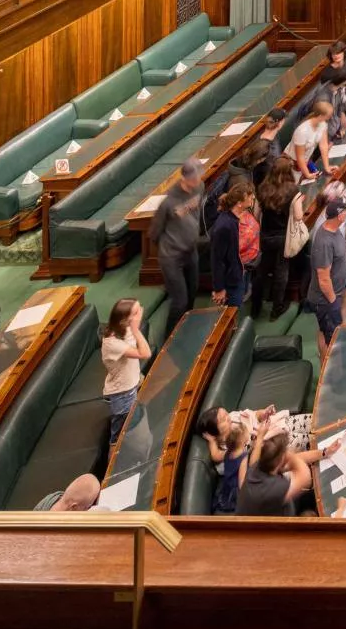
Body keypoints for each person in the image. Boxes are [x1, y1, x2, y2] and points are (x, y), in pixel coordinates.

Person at [150, 159, 206, 330]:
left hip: (191, 251)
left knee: (192, 292)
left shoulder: (200, 187)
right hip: (171, 257)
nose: (198, 181)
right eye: (194, 178)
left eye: (199, 177)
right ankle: (169, 338)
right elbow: (154, 232)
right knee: (179, 301)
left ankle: (184, 328)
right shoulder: (168, 202)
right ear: (184, 178)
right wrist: (170, 246)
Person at [253, 163, 307, 321]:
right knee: (281, 272)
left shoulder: (262, 188)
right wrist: (300, 202)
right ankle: (277, 309)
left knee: (261, 272)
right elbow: (298, 216)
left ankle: (255, 308)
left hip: (265, 236)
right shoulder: (292, 190)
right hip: (283, 237)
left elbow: (256, 214)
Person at [306, 193, 346, 363]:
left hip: (334, 294)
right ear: (341, 215)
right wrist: (333, 302)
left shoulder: (334, 229)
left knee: (325, 332)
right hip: (325, 299)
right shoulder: (324, 241)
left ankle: (327, 369)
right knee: (331, 339)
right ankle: (328, 377)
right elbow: (323, 278)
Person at [236, 426, 327, 517]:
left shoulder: (257, 467)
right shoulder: (276, 487)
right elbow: (305, 476)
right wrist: (286, 453)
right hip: (273, 526)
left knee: (310, 496)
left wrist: (324, 452)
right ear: (281, 460)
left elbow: (297, 458)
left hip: (264, 512)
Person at [100, 297, 152, 446]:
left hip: (131, 383)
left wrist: (134, 327)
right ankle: (112, 463)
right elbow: (145, 354)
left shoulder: (124, 328)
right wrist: (136, 329)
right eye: (136, 312)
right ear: (124, 320)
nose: (141, 312)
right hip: (123, 393)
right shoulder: (112, 342)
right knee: (119, 435)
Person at [209, 178, 260, 308]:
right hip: (230, 282)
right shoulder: (224, 226)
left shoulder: (233, 219)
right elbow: (217, 260)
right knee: (231, 315)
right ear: (239, 203)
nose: (252, 197)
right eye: (249, 196)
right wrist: (219, 289)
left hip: (237, 275)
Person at [286, 100, 337, 179]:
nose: (330, 117)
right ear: (320, 116)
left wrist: (327, 167)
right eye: (329, 115)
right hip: (292, 166)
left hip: (304, 163)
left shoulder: (323, 124)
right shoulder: (302, 131)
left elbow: (323, 146)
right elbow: (300, 157)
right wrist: (307, 174)